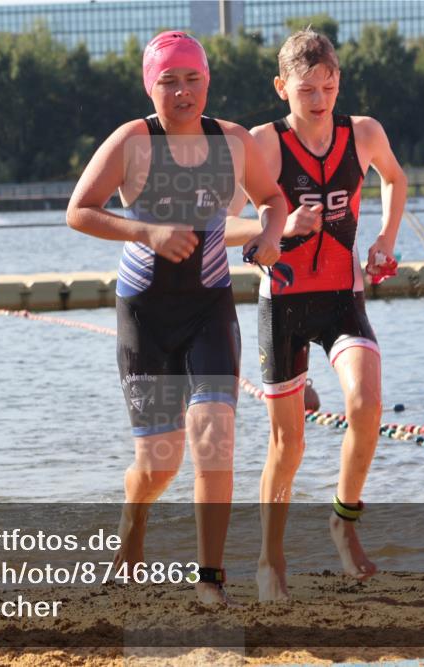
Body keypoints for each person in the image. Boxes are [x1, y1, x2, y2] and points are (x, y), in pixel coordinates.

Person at [66, 31, 287, 605]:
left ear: (206, 83)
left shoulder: (233, 141)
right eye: (169, 81)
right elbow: (79, 211)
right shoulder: (131, 141)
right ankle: (133, 518)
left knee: (214, 436)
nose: (182, 91)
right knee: (159, 464)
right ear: (151, 86)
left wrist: (270, 235)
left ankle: (210, 579)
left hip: (209, 306)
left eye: (193, 79)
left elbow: (272, 199)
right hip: (144, 315)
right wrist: (147, 231)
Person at [226, 29, 408, 599]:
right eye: (306, 89)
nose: (319, 99)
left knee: (367, 403)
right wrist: (276, 228)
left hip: (340, 298)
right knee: (290, 446)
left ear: (339, 83)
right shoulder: (264, 144)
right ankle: (269, 559)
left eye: (328, 87)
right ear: (282, 88)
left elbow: (395, 178)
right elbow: (227, 224)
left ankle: (343, 521)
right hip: (281, 303)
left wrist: (384, 240)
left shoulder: (364, 133)